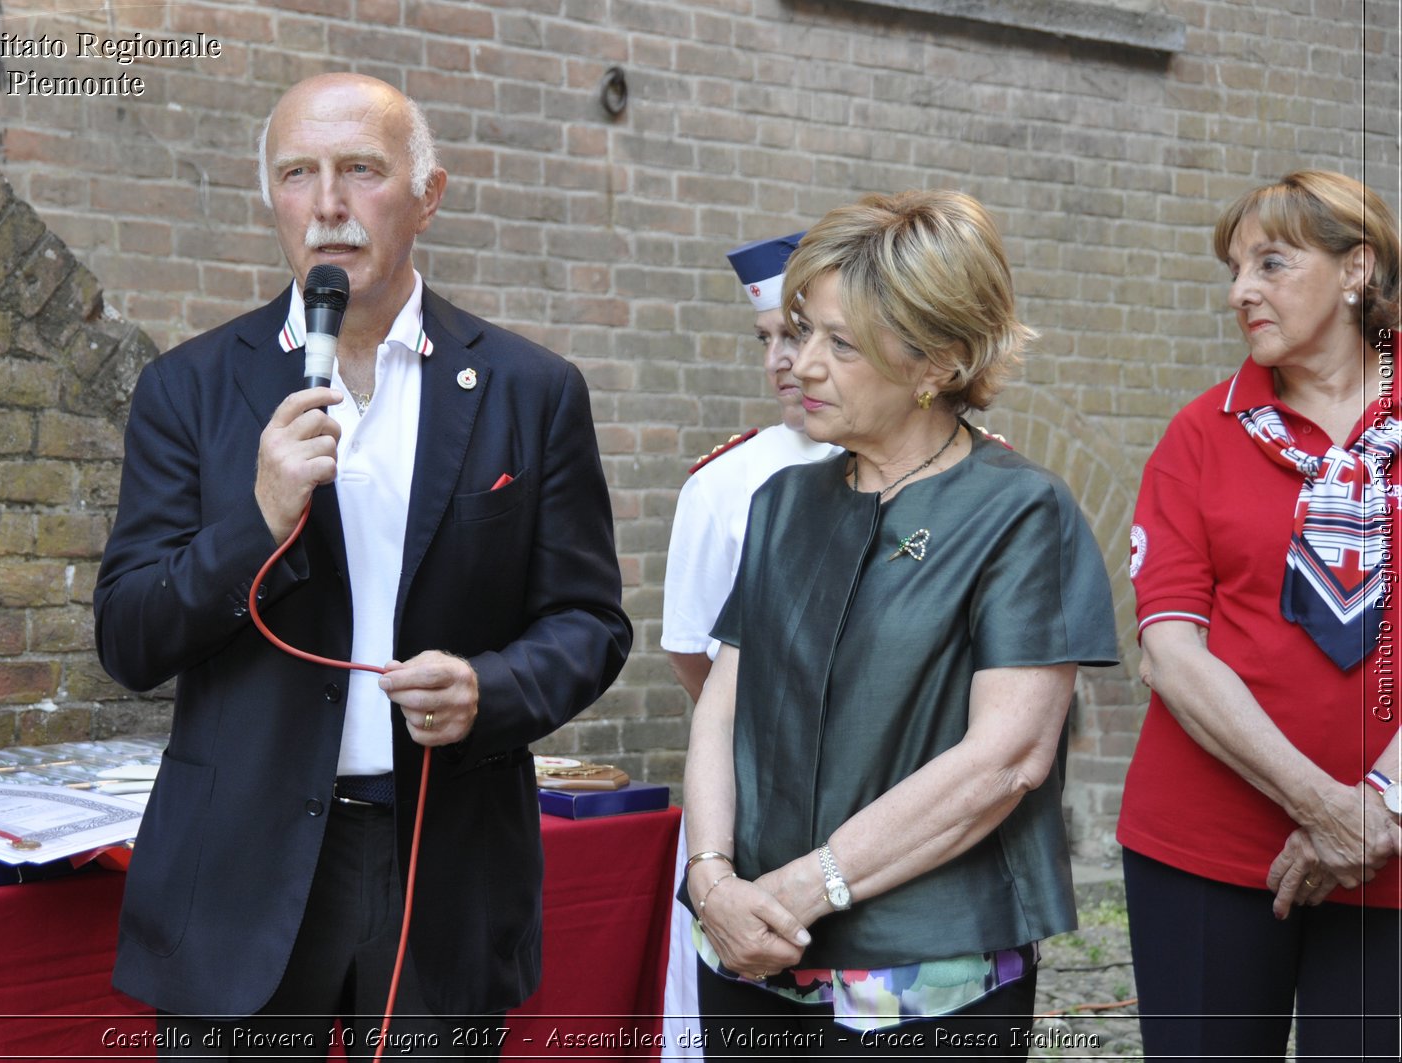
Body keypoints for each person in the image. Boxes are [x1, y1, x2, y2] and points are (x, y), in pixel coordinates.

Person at [92, 73, 632, 1059]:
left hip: (441, 860)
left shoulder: (531, 390)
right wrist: (256, 518)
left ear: (427, 195)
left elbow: (588, 622)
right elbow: (130, 637)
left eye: (360, 171)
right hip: (240, 874)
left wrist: (489, 686)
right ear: (272, 200)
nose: (328, 204)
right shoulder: (190, 388)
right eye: (298, 174)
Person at [681, 189, 1119, 1059]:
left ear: (937, 362)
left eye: (838, 343)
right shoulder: (780, 502)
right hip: (748, 949)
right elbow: (721, 708)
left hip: (924, 972)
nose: (800, 363)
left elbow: (1007, 760)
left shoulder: (1018, 511)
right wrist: (712, 879)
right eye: (802, 331)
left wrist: (806, 888)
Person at [1120, 170, 1402, 1060]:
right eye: (1234, 268)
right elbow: (1170, 648)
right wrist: (1322, 803)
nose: (1241, 289)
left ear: (1358, 268)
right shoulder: (1200, 433)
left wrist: (1379, 807)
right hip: (1203, 848)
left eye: (1272, 263)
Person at [660, 233, 841, 1058]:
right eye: (765, 338)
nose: (781, 360)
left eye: (799, 333)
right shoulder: (724, 483)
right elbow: (695, 654)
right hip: (752, 804)